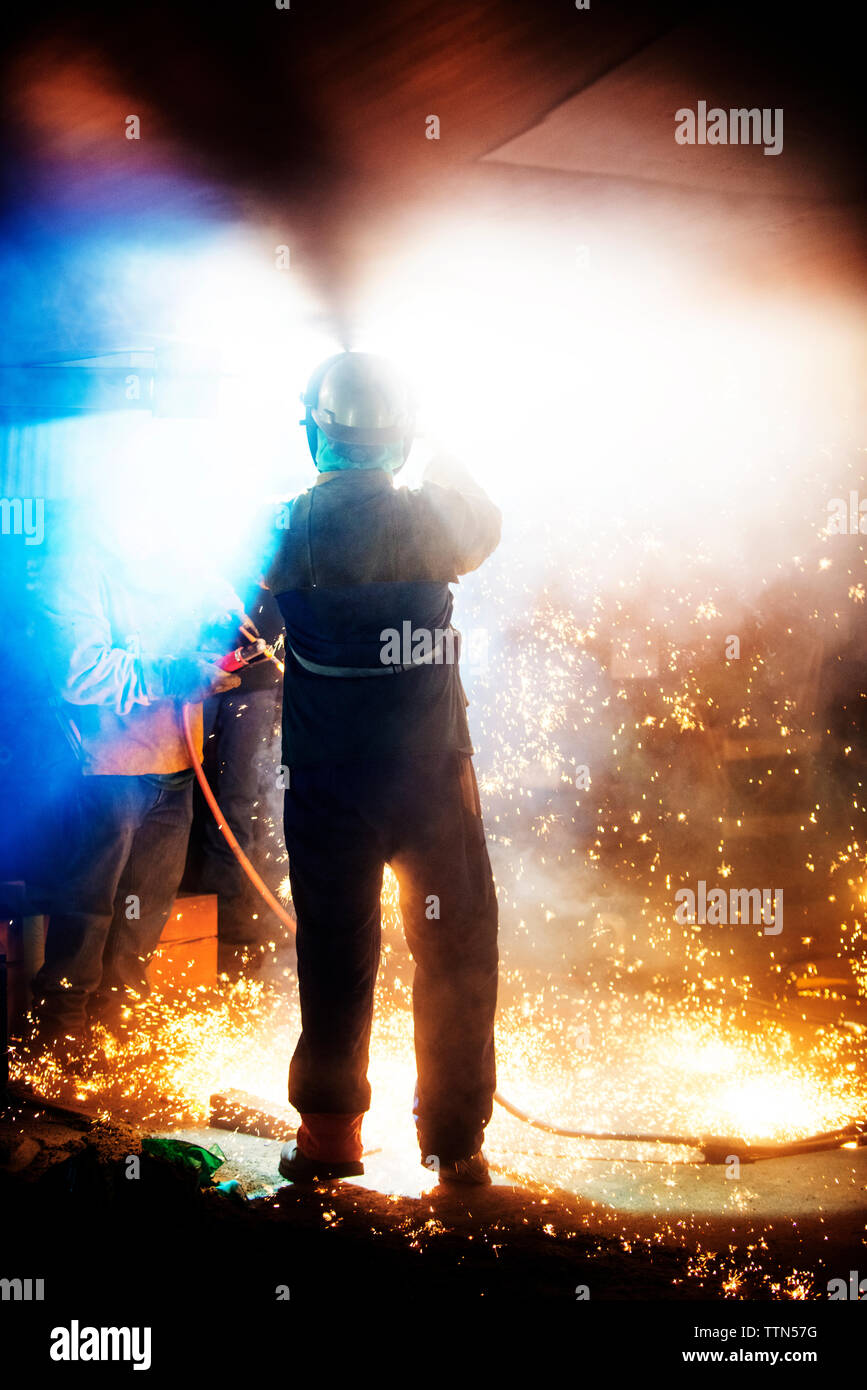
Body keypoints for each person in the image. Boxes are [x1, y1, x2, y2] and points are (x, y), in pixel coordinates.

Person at [267, 351, 501, 1185]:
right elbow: (482, 518)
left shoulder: (284, 527)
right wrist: (434, 443)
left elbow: (244, 601)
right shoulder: (435, 519)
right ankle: (452, 1147)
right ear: (399, 440)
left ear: (313, 435)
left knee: (335, 951)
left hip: (326, 783)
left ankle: (330, 1141)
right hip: (431, 777)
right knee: (455, 947)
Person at [30, 518, 244, 1055]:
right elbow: (80, 671)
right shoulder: (78, 561)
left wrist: (227, 618)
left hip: (175, 767)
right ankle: (59, 1045)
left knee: (140, 920)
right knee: (87, 918)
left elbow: (214, 595)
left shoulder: (176, 546)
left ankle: (119, 1042)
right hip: (108, 771)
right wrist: (175, 674)